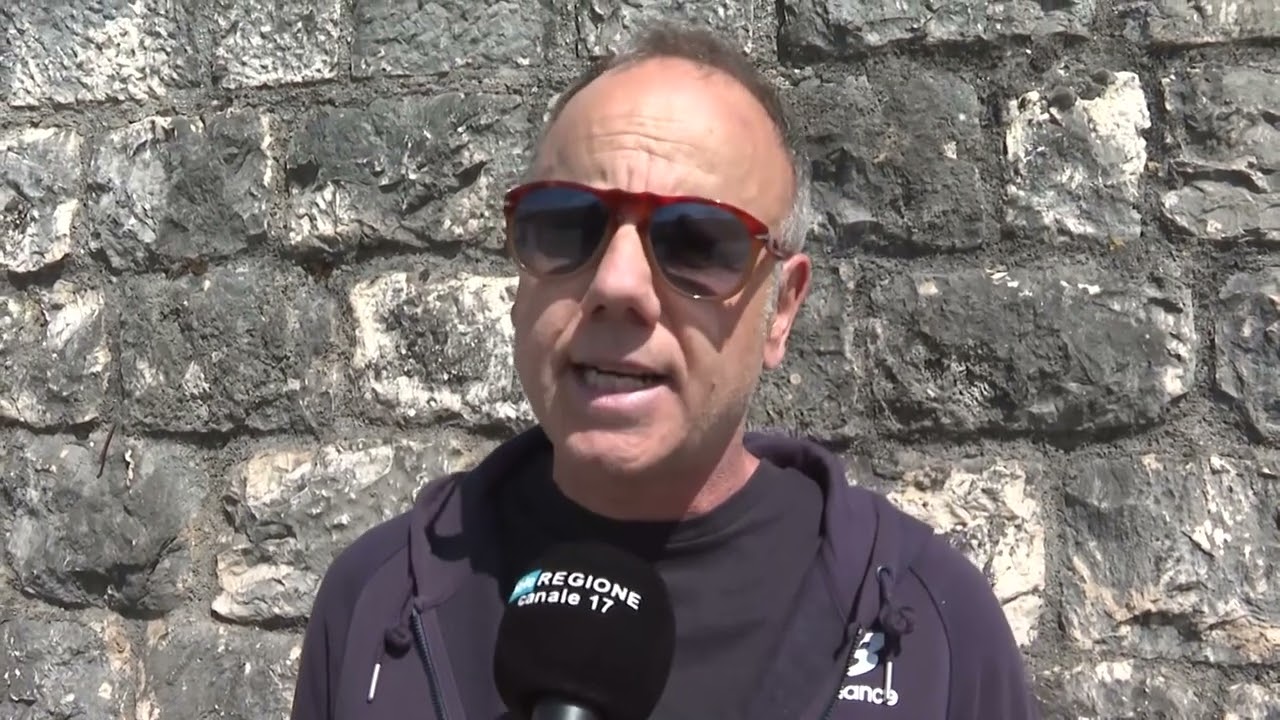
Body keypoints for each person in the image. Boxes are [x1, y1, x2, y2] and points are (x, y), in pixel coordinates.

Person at [289, 21, 1040, 720]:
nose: (618, 285)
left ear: (782, 309)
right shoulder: (376, 605)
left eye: (698, 242)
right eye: (567, 225)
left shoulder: (932, 631)